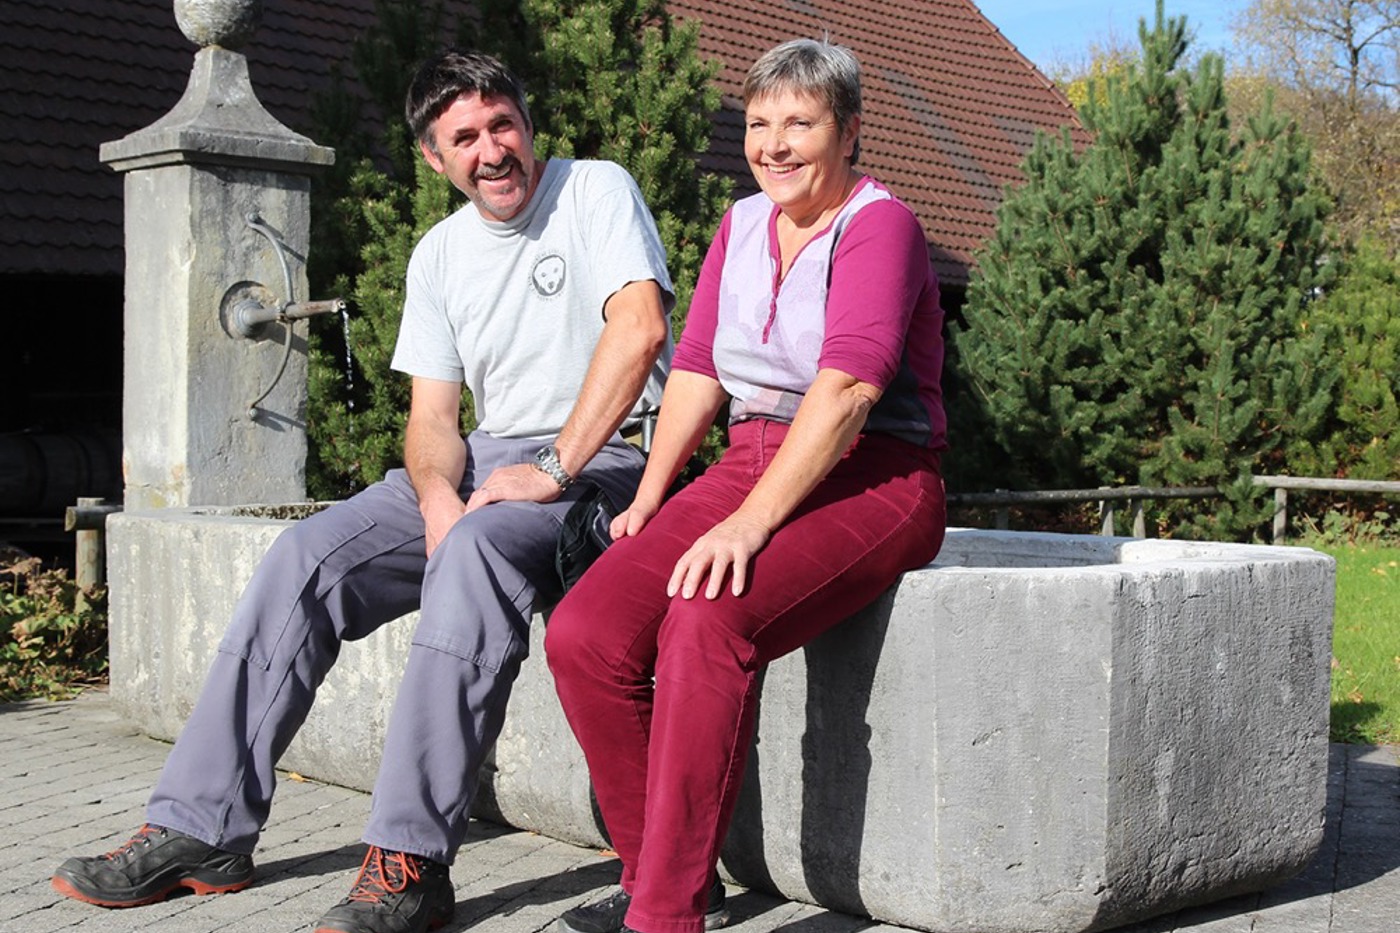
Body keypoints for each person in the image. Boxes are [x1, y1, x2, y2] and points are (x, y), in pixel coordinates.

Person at [50, 48, 675, 933]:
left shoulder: (594, 191)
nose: (491, 150)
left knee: (480, 552)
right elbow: (431, 421)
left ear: (529, 126)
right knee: (305, 554)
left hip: (606, 458)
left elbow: (641, 327)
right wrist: (434, 497)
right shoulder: (439, 254)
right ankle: (203, 825)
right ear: (434, 157)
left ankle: (411, 863)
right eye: (465, 137)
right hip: (488, 461)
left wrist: (558, 466)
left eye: (503, 125)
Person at [546, 38, 948, 933]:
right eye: (760, 123)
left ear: (847, 132)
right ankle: (657, 870)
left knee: (708, 617)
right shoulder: (740, 224)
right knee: (586, 633)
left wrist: (750, 527)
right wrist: (651, 498)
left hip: (875, 470)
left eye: (799, 123)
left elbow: (847, 390)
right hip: (744, 461)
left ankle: (663, 915)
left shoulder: (881, 225)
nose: (773, 144)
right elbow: (696, 368)